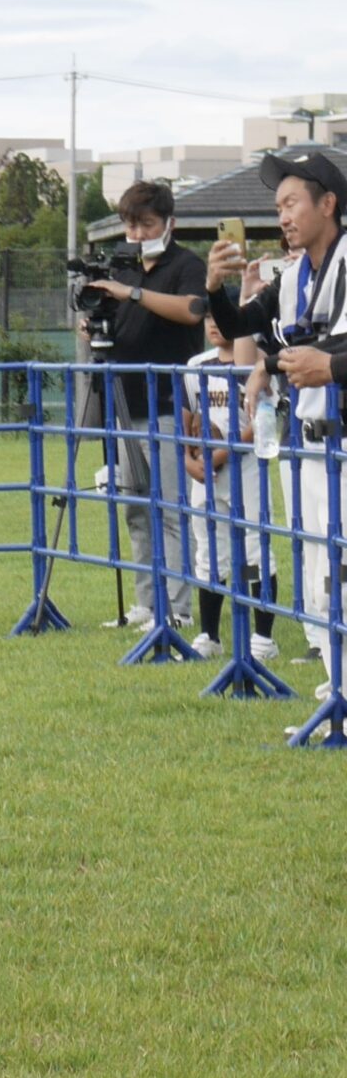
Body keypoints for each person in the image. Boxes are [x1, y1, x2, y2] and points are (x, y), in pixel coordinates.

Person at [206, 148, 347, 698]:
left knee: (342, 574)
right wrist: (215, 287)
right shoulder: (292, 276)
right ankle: (338, 687)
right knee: (318, 576)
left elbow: (325, 351)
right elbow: (240, 323)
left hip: (342, 445)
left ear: (328, 203)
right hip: (307, 447)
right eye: (278, 206)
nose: (283, 216)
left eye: (292, 203)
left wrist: (330, 366)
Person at [85, 182, 207, 629]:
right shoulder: (125, 267)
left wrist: (130, 294)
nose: (136, 233)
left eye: (146, 223)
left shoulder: (185, 265)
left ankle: (177, 607)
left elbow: (193, 310)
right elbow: (118, 327)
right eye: (131, 224)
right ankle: (145, 602)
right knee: (135, 507)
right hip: (123, 401)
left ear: (168, 224)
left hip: (170, 402)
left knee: (172, 509)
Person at [179, 323, 274, 658]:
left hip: (244, 466)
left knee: (254, 550)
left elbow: (263, 419)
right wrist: (188, 457)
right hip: (204, 470)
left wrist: (220, 453)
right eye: (208, 318)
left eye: (222, 317)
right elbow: (186, 414)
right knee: (209, 552)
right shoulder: (196, 365)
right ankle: (210, 636)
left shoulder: (258, 362)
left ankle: (263, 638)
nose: (214, 325)